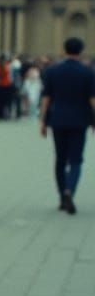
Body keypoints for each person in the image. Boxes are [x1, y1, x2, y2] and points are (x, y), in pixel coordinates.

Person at [39, 37, 95, 214]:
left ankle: (62, 196)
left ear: (64, 49)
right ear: (81, 51)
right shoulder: (88, 73)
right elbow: (92, 100)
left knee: (60, 159)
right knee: (76, 160)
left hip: (58, 120)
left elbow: (46, 99)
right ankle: (71, 189)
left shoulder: (52, 71)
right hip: (80, 121)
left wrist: (42, 121)